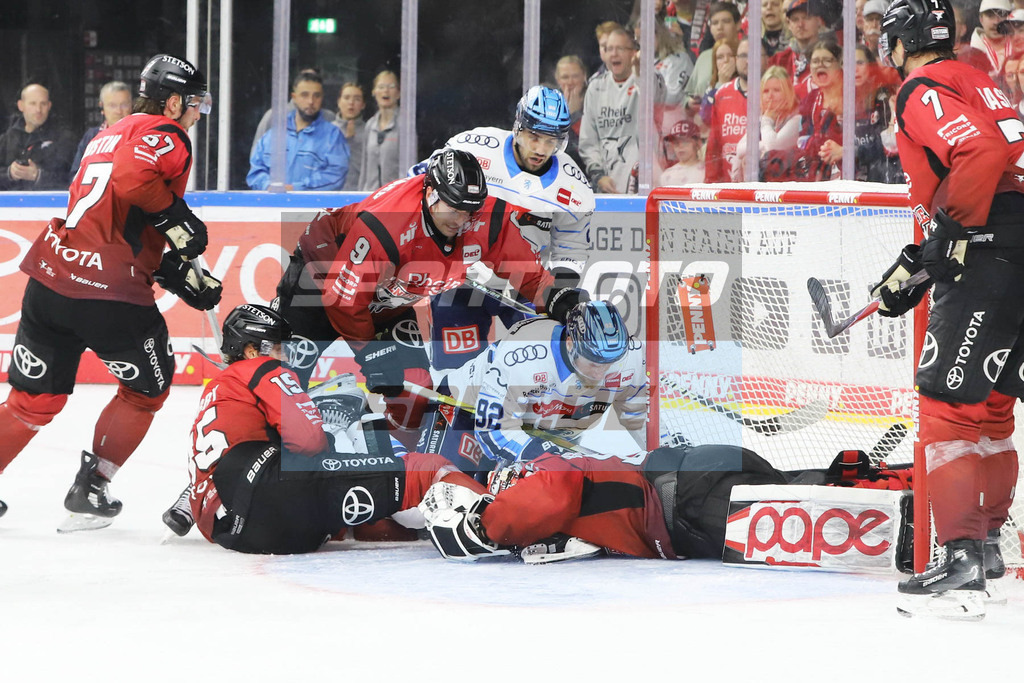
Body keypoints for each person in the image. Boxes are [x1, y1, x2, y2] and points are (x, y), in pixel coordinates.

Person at [0, 54, 221, 527]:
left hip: (51, 279)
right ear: (174, 102)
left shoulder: (109, 132)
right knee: (147, 390)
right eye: (196, 104)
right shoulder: (168, 133)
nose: (198, 115)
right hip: (108, 294)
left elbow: (111, 218)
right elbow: (132, 178)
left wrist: (171, 271)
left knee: (32, 400)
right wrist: (177, 218)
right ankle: (92, 487)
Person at [871, 0, 1021, 620]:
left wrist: (952, 232)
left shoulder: (920, 88)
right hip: (1011, 243)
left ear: (901, 43)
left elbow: (978, 153)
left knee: (945, 406)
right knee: (992, 407)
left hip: (989, 252)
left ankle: (961, 563)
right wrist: (925, 253)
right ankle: (988, 548)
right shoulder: (977, 77)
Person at [279, 150, 580, 444]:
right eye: (453, 209)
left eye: (469, 211)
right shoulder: (387, 223)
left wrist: (560, 300)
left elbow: (529, 274)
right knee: (284, 384)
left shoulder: (485, 217)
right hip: (319, 282)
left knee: (415, 387)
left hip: (388, 301)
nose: (461, 220)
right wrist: (371, 354)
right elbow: (343, 300)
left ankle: (398, 459)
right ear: (431, 193)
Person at [175, 302, 485, 554]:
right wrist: (334, 441)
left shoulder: (215, 390)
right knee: (428, 469)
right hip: (268, 496)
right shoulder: (261, 368)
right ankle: (496, 517)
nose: (284, 356)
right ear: (252, 350)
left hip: (232, 532)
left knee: (364, 508)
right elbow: (309, 441)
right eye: (277, 347)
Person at [417, 85, 595, 372]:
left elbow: (571, 250)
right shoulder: (473, 147)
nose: (540, 149)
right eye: (534, 136)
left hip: (525, 285)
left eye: (551, 141)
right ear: (518, 127)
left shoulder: (574, 186)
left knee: (534, 373)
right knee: (455, 374)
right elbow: (420, 183)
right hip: (460, 282)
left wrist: (557, 295)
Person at [417, 441, 788, 563]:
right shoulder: (550, 492)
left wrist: (488, 528)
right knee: (804, 493)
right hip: (691, 496)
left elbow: (550, 496)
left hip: (688, 496)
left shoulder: (546, 472)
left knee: (804, 518)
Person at [424, 301, 646, 473]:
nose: (601, 374)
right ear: (571, 344)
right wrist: (541, 454)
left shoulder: (632, 359)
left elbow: (642, 419)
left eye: (611, 364)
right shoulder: (525, 356)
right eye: (594, 363)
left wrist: (661, 456)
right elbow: (493, 430)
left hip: (544, 433)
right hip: (467, 411)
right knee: (446, 489)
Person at [579, 27, 667, 193]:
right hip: (607, 187)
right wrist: (598, 175)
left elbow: (653, 95)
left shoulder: (651, 79)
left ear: (634, 52)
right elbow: (588, 140)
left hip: (645, 184)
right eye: (609, 49)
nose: (614, 54)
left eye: (620, 48)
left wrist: (641, 71)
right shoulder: (595, 87)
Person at [247, 70, 349, 191]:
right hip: (272, 202)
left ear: (322, 98)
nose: (311, 101)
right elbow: (255, 171)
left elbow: (335, 176)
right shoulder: (273, 135)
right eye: (304, 95)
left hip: (310, 203)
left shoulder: (333, 136)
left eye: (316, 96)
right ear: (294, 97)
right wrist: (268, 186)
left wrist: (295, 189)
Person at [0, 83, 76, 191]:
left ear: (49, 106)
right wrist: (9, 173)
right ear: (21, 105)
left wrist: (38, 176)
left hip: (50, 201)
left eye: (43, 104)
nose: (38, 110)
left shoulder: (64, 138)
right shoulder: (7, 138)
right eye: (33, 103)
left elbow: (72, 178)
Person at [248, 68, 338, 159]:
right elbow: (257, 155)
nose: (310, 101)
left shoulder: (328, 118)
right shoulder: (274, 116)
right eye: (305, 93)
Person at [739, 65, 803, 181]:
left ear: (788, 92)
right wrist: (763, 144)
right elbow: (739, 149)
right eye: (766, 91)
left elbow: (772, 147)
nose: (770, 96)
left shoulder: (797, 120)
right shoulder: (763, 120)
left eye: (776, 90)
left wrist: (767, 121)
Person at [796, 39, 844, 181]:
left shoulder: (853, 95)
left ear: (839, 64)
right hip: (819, 172)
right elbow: (803, 137)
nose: (820, 65)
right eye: (815, 61)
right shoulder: (810, 99)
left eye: (827, 60)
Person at [703, 37, 747, 182]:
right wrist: (721, 83)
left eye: (730, 55)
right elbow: (706, 119)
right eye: (720, 57)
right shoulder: (714, 90)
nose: (726, 61)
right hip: (725, 172)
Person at [69, 81, 132, 181]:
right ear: (102, 107)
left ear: (132, 106)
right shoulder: (91, 136)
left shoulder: (140, 135)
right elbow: (75, 176)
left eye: (124, 105)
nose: (119, 111)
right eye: (112, 105)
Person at [770, 0, 831, 101]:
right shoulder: (778, 60)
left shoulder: (832, 57)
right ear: (789, 24)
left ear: (819, 21)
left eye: (806, 18)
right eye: (795, 19)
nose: (800, 24)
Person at [684, 2, 741, 105]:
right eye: (714, 23)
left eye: (726, 21)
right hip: (701, 115)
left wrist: (721, 84)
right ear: (710, 28)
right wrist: (688, 104)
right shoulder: (704, 57)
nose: (720, 27)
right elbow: (687, 95)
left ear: (738, 25)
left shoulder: (745, 55)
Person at [358, 70, 401, 192]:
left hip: (395, 194)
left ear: (398, 93)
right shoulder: (370, 125)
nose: (385, 91)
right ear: (374, 92)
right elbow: (364, 166)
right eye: (381, 87)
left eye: (391, 87)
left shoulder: (405, 125)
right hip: (370, 194)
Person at [555, 55, 588, 166]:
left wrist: (575, 115)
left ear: (584, 76)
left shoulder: (594, 98)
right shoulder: (553, 103)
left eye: (575, 76)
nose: (570, 82)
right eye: (565, 77)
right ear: (558, 80)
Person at [970, 0, 1013, 81]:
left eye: (1001, 15)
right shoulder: (969, 54)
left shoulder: (1020, 49)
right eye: (990, 16)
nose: (996, 22)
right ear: (981, 19)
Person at [335, 82, 367, 191]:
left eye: (357, 99)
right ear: (339, 102)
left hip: (359, 192)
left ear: (363, 105)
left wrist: (352, 144)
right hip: (333, 192)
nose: (351, 103)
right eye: (346, 98)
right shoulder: (329, 130)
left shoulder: (369, 130)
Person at [659, 119, 705, 184]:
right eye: (676, 142)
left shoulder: (706, 173)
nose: (680, 146)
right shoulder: (666, 175)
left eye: (685, 141)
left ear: (698, 143)